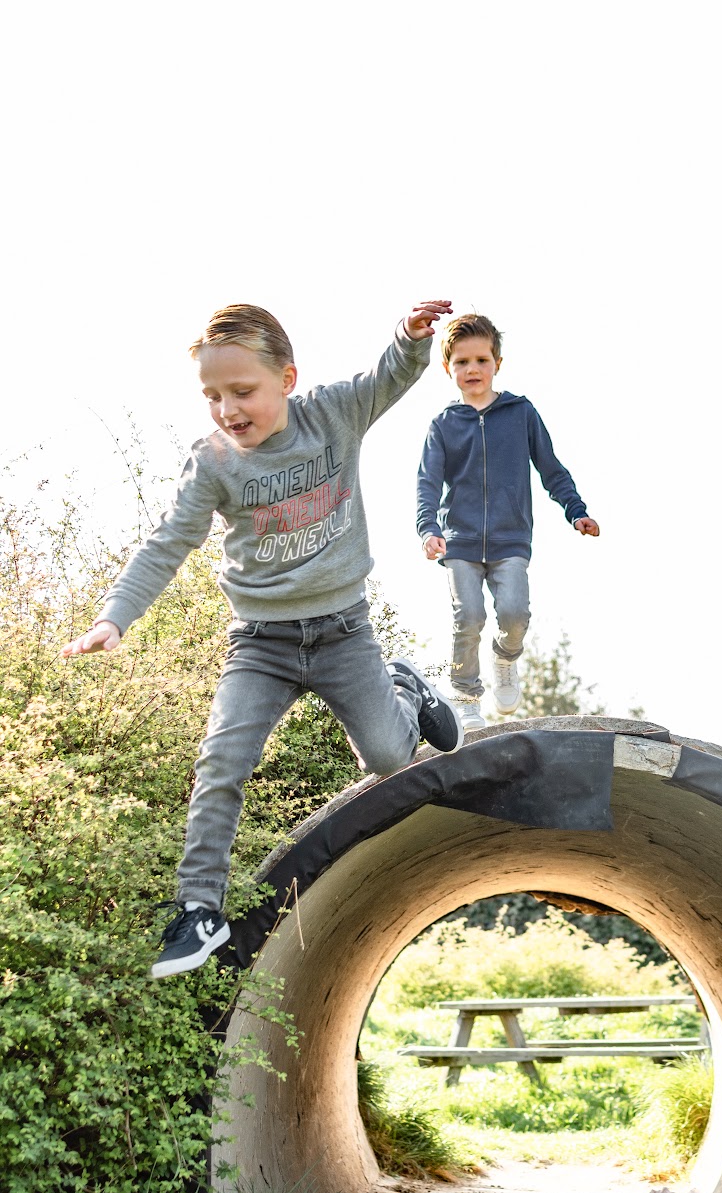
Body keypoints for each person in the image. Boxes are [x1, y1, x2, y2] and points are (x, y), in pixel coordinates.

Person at [63, 299, 462, 980]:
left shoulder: (332, 414)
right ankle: (198, 910)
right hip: (261, 644)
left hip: (343, 634)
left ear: (287, 378)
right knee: (222, 758)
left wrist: (409, 338)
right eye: (212, 395)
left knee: (390, 758)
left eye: (241, 391)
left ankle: (406, 689)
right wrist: (114, 617)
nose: (226, 409)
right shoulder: (214, 462)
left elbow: (387, 378)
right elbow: (167, 544)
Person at [416, 313, 599, 729]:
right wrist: (428, 529)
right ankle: (464, 698)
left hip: (510, 538)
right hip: (460, 541)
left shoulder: (521, 413)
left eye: (481, 360)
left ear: (497, 362)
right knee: (469, 617)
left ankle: (505, 658)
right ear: (448, 368)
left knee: (514, 613)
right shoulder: (443, 425)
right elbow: (427, 483)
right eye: (462, 362)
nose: (472, 369)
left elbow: (550, 468)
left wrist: (577, 510)